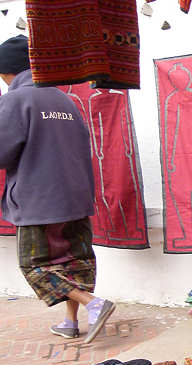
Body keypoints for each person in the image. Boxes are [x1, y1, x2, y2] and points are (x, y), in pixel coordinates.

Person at [0, 35, 115, 343]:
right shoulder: (63, 98)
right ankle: (69, 322)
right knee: (74, 262)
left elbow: (2, 152)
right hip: (76, 195)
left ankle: (94, 304)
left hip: (40, 199)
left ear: (6, 71)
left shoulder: (15, 99)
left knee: (34, 266)